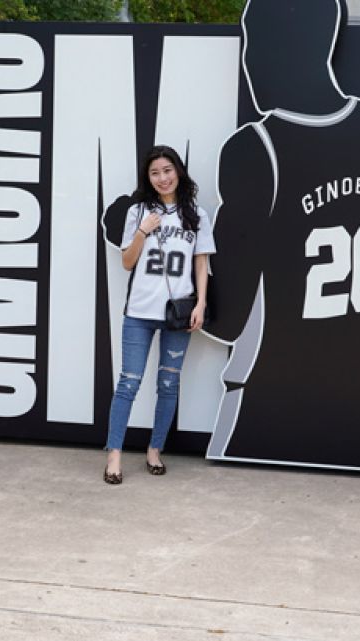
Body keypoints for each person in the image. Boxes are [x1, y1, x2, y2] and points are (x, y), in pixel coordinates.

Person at [203, 0, 360, 471]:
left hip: (267, 410)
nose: (248, 61)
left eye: (255, 44)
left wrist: (170, 252)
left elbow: (225, 318)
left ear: (293, 46)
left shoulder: (255, 150)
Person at [102, 145, 216, 484]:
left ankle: (154, 450)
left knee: (168, 384)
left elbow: (201, 263)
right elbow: (126, 262)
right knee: (128, 384)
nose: (162, 178)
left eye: (167, 170)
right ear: (148, 178)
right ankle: (114, 455)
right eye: (155, 173)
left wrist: (201, 303)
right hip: (139, 311)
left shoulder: (196, 214)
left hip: (177, 314)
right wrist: (142, 231)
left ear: (177, 171)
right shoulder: (138, 211)